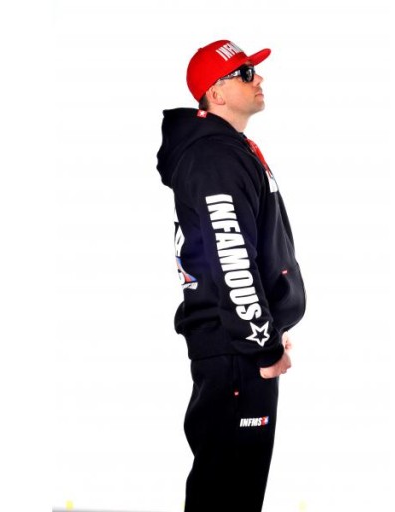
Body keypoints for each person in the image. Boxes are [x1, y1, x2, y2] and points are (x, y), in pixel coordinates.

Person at [156, 39, 306, 512]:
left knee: (231, 490)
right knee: (228, 494)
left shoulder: (225, 151)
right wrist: (262, 344)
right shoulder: (214, 157)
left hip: (239, 346)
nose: (258, 78)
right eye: (244, 73)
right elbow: (232, 258)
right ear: (216, 93)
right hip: (238, 351)